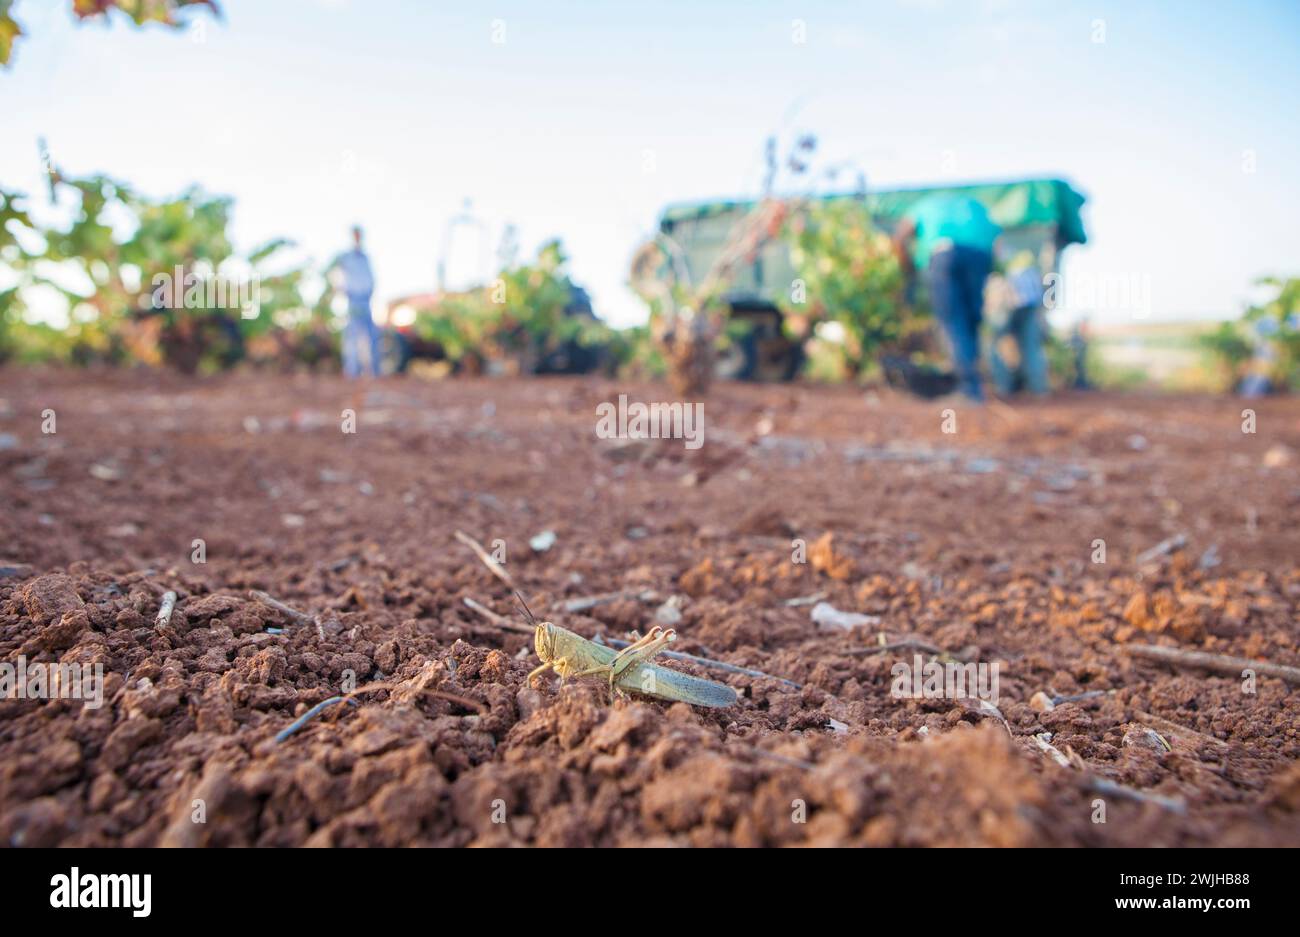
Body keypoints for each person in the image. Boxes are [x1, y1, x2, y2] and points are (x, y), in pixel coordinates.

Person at [894, 196, 1001, 401]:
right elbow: (998, 243)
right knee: (971, 320)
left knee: (953, 320)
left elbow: (900, 238)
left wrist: (908, 267)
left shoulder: (923, 205)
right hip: (980, 257)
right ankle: (974, 384)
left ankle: (968, 388)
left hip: (944, 255)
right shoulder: (977, 208)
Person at [989, 250, 1050, 396]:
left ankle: (1004, 387)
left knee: (998, 341)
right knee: (1030, 344)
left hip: (1006, 295)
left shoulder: (997, 235)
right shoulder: (1036, 237)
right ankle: (1038, 388)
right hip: (1031, 297)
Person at [332, 226, 380, 378]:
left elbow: (371, 276)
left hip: (366, 299)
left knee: (371, 335)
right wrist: (341, 289)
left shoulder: (365, 257)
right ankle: (352, 372)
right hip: (352, 299)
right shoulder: (345, 257)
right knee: (352, 335)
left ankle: (375, 372)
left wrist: (370, 290)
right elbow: (335, 273)